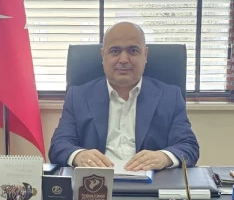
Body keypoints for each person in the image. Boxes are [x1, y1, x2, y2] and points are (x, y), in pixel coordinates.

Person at [48, 22, 200, 170]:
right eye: (115, 51)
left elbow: (189, 146)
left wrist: (164, 157)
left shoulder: (170, 97)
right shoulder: (78, 96)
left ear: (145, 55)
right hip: (96, 182)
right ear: (103, 55)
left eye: (133, 51)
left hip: (151, 182)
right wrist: (79, 156)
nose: (123, 60)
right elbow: (58, 146)